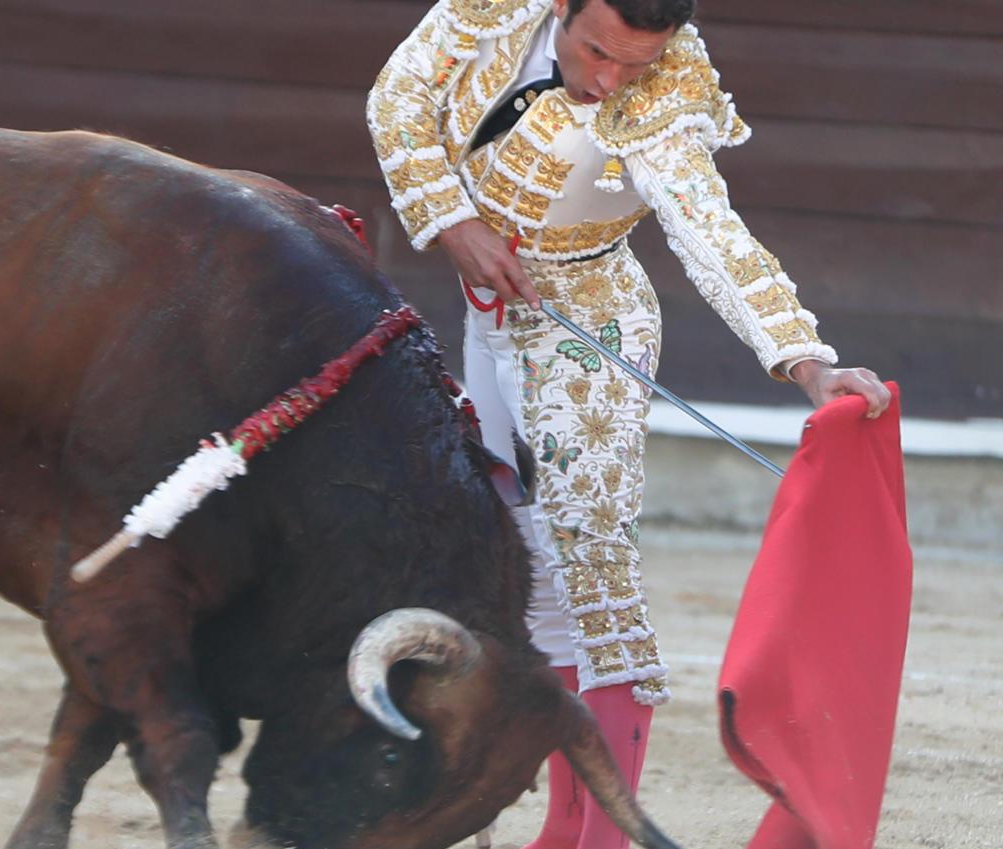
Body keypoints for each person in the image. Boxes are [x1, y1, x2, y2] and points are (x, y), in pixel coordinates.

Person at [366, 1, 892, 846]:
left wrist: (805, 359)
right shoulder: (492, 7)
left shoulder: (669, 87)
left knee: (593, 573)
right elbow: (398, 98)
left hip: (591, 323)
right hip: (488, 312)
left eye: (633, 65)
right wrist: (452, 220)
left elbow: (709, 231)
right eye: (595, 52)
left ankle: (603, 837)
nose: (608, 80)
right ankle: (559, 826)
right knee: (526, 559)